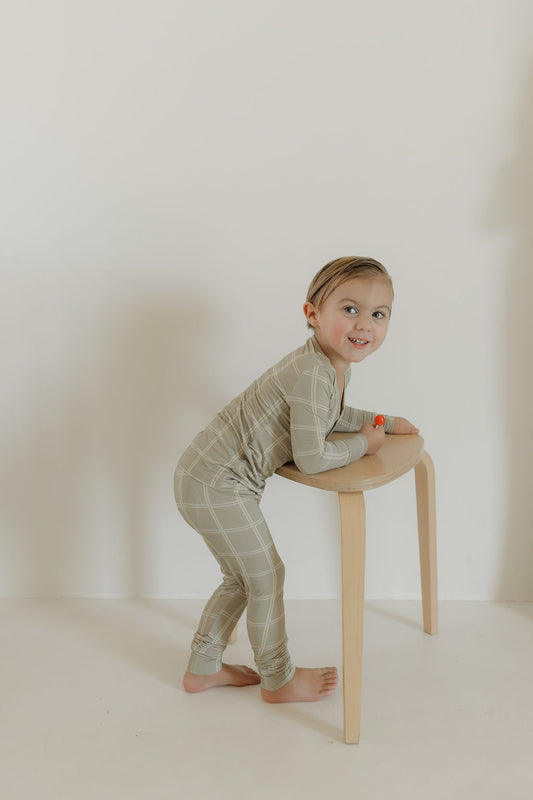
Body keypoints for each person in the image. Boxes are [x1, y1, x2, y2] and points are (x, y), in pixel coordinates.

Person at [174, 256, 419, 703]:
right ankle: (278, 678)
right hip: (216, 485)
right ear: (312, 314)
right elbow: (312, 457)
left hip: (203, 478)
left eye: (378, 314)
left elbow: (333, 416)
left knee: (241, 578)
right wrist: (365, 444)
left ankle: (203, 668)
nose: (364, 324)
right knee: (266, 576)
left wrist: (382, 420)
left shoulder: (326, 367)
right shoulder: (312, 372)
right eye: (349, 309)